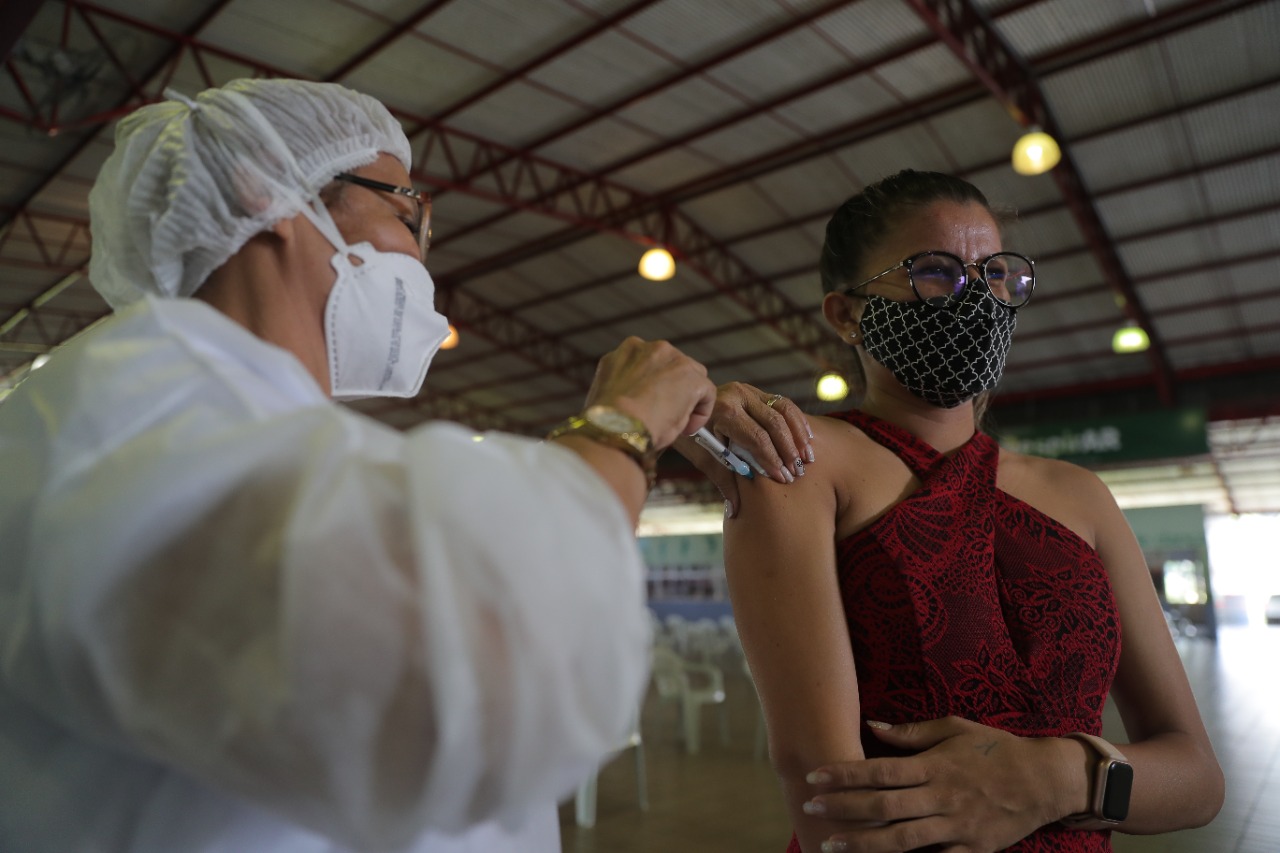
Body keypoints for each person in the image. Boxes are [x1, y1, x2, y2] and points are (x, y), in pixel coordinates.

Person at [0, 78, 719, 853]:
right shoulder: (133, 402)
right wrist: (621, 428)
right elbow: (475, 687)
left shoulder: (230, 421)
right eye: (405, 211)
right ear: (263, 192)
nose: (418, 255)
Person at [717, 170, 1224, 853]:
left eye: (997, 274)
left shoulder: (1080, 495)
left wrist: (1059, 775)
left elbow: (1197, 778)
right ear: (845, 314)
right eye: (934, 273)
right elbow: (828, 794)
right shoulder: (798, 461)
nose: (976, 299)